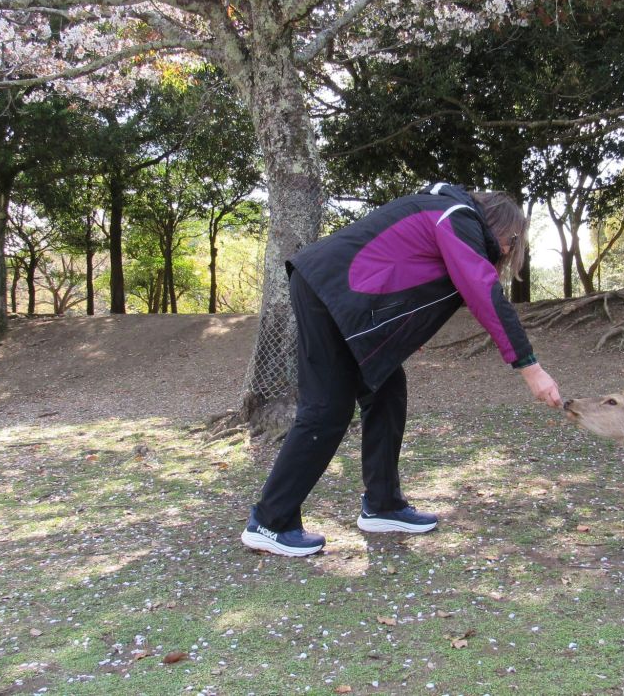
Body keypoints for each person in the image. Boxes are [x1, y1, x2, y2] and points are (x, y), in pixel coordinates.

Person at [241, 182, 562, 556]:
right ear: (501, 226)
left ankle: (383, 505)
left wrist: (400, 330)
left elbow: (401, 268)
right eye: (511, 242)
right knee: (327, 409)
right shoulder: (457, 218)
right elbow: (484, 293)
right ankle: (271, 521)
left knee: (387, 390)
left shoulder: (446, 215)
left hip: (335, 293)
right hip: (328, 290)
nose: (507, 251)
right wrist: (531, 368)